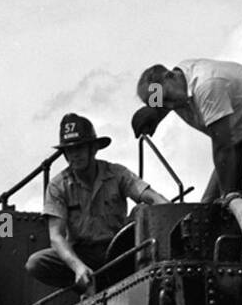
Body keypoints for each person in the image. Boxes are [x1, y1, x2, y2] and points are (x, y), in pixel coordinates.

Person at [134, 59, 242, 257]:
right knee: (205, 207)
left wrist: (230, 194)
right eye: (162, 105)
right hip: (239, 135)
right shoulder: (175, 90)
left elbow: (223, 146)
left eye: (167, 99)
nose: (170, 106)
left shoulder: (207, 85)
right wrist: (151, 116)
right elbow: (164, 101)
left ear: (171, 77)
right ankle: (210, 258)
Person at [25, 113, 168, 293]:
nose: (75, 155)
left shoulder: (117, 173)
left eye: (80, 148)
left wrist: (170, 210)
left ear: (93, 148)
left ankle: (136, 274)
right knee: (36, 263)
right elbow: (56, 236)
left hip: (119, 248)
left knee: (143, 210)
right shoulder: (57, 186)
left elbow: (151, 197)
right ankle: (85, 284)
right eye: (70, 150)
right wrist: (77, 267)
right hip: (83, 254)